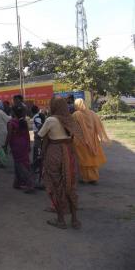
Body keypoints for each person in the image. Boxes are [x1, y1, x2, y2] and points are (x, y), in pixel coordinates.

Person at [38, 97, 82, 230]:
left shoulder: (51, 119)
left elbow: (40, 135)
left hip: (54, 152)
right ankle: (74, 220)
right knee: (70, 184)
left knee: (56, 185)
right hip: (69, 152)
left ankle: (61, 220)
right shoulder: (70, 119)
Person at [72, 98, 109, 184]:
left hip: (80, 141)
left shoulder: (76, 114)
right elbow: (98, 127)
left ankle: (85, 178)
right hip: (93, 140)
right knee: (92, 158)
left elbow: (73, 128)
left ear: (76, 105)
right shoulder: (93, 113)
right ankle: (94, 177)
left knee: (83, 159)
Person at [5, 105, 34, 193]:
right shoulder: (23, 122)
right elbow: (28, 135)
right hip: (24, 143)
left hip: (16, 145)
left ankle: (29, 184)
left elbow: (9, 135)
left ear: (13, 113)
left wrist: (5, 145)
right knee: (22, 163)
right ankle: (17, 182)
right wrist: (28, 145)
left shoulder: (11, 123)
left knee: (20, 164)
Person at [31, 105, 46, 188]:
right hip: (39, 137)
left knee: (37, 154)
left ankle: (38, 179)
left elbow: (39, 126)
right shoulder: (37, 116)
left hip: (39, 137)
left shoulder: (36, 117)